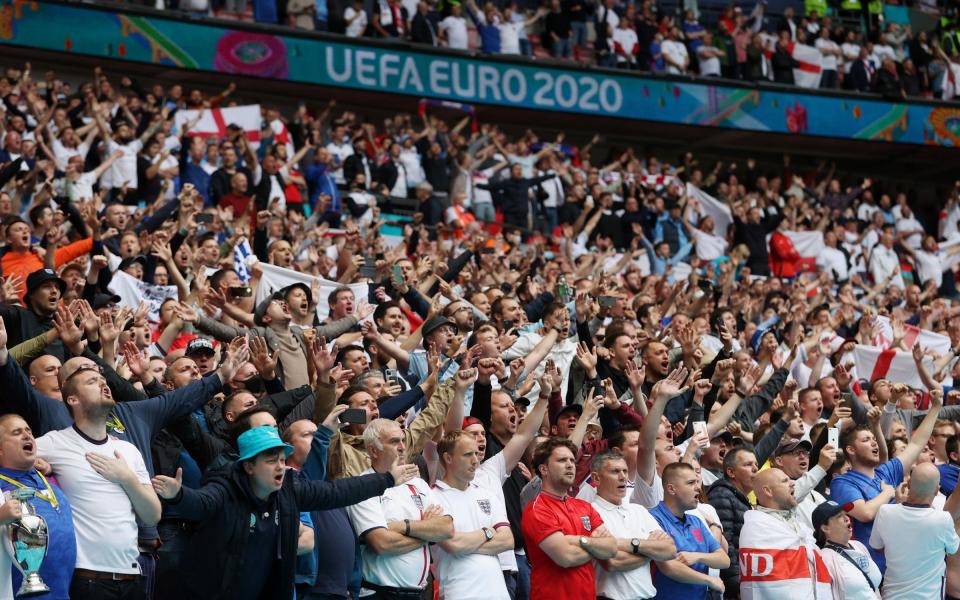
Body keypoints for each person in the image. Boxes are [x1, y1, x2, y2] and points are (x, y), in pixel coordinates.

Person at [150, 425, 417, 600]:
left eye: (281, 458)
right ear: (249, 467)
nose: (280, 466)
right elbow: (201, 503)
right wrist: (178, 495)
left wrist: (386, 480)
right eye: (270, 460)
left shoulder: (290, 489)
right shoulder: (225, 488)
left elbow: (337, 492)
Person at [36, 361, 162, 600]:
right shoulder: (55, 442)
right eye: (92, 382)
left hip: (133, 576)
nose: (103, 385)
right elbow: (14, 456)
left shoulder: (128, 450)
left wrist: (126, 479)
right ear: (72, 399)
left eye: (103, 382)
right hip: (86, 578)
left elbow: (152, 515)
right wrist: (37, 465)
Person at [830, 388, 941, 573]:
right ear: (850, 450)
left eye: (874, 439)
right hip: (871, 570)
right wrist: (888, 493)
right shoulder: (842, 483)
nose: (874, 443)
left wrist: (936, 407)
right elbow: (865, 513)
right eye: (866, 440)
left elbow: (916, 443)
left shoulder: (885, 473)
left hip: (902, 567)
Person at [346, 418, 454, 598]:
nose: (403, 447)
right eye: (394, 441)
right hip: (380, 594)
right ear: (373, 450)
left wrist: (404, 526)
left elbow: (447, 528)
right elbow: (382, 543)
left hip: (418, 593)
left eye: (403, 440)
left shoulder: (418, 483)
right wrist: (427, 534)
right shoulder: (362, 486)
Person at [521, 437, 617, 600]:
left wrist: (580, 541)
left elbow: (611, 547)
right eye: (561, 460)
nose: (570, 465)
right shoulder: (537, 509)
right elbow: (566, 557)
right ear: (544, 469)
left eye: (572, 460)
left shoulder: (584, 506)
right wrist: (595, 546)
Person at [0, 413, 75, 599]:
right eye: (17, 432)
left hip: (63, 592)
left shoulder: (48, 477)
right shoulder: (1, 486)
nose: (27, 436)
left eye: (29, 431)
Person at [432, 431, 514, 600]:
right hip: (460, 593)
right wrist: (488, 532)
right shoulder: (432, 497)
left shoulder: (487, 494)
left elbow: (508, 540)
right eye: (468, 454)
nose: (476, 461)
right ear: (448, 458)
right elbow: (453, 544)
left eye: (476, 453)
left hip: (499, 593)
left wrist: (465, 545)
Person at [589, 451, 677, 600]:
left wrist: (630, 545)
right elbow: (613, 562)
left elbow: (670, 550)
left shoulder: (639, 510)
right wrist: (651, 551)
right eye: (615, 471)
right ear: (596, 478)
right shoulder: (590, 512)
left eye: (625, 471)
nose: (623, 477)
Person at [869, 462, 960, 599]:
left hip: (891, 596)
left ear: (909, 484)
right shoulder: (942, 519)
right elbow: (952, 549)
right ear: (937, 490)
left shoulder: (885, 512)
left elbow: (877, 547)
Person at [738, 468, 831, 599]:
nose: (793, 483)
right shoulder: (758, 527)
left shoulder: (798, 526)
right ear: (768, 491)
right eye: (785, 481)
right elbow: (769, 587)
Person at [649, 462, 728, 598]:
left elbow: (724, 560)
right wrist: (709, 580)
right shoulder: (653, 518)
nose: (698, 488)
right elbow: (668, 567)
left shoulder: (695, 521)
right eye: (691, 483)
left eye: (697, 482)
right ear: (671, 489)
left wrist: (697, 556)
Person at [812, 500, 881, 600]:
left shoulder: (859, 545)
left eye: (846, 514)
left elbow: (874, 589)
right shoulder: (824, 558)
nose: (847, 518)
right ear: (825, 528)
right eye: (839, 516)